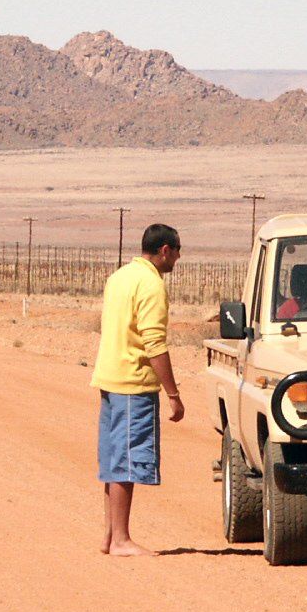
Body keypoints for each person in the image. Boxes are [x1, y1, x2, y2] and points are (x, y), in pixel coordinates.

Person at [91, 222, 185, 557]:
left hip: (110, 378)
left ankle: (110, 536)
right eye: (177, 252)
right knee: (127, 461)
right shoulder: (151, 284)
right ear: (165, 250)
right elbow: (154, 343)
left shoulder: (120, 277)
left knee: (114, 460)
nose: (177, 259)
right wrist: (173, 394)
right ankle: (121, 540)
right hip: (133, 382)